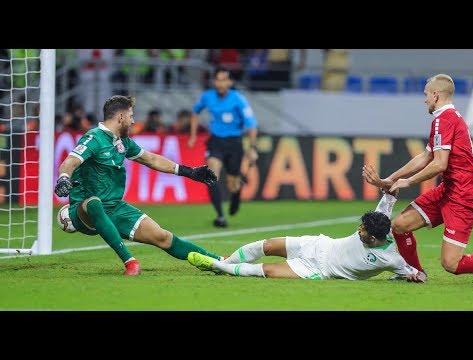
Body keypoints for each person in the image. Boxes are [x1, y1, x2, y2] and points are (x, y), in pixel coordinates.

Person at [54, 95, 221, 276]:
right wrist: (64, 177)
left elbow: (151, 159)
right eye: (131, 116)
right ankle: (130, 262)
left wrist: (189, 172)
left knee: (162, 237)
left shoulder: (122, 142)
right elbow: (70, 161)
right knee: (94, 202)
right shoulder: (93, 138)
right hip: (84, 211)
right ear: (120, 117)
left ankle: (218, 261)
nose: (133, 121)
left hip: (115, 207)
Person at [362, 73, 473, 282]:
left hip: (464, 195)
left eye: (426, 94)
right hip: (450, 189)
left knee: (451, 264)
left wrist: (407, 182)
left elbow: (439, 163)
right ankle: (415, 272)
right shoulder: (445, 119)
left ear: (435, 95)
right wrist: (392, 178)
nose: (424, 99)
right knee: (399, 225)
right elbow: (425, 157)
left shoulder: (444, 120)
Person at [187, 188, 426, 283]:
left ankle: (218, 265)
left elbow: (416, 275)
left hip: (320, 270)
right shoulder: (378, 222)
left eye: (362, 231)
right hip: (317, 245)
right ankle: (224, 263)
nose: (358, 230)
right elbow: (388, 200)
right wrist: (391, 188)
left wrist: (413, 277)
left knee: (268, 270)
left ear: (373, 238)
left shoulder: (391, 259)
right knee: (268, 245)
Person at [188, 65, 258, 228]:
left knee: (232, 184)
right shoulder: (207, 97)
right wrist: (193, 135)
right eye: (218, 80)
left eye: (223, 80)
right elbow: (195, 112)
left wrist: (253, 147)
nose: (220, 84)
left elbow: (251, 125)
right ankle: (220, 216)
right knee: (211, 175)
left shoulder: (238, 99)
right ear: (214, 82)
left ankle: (236, 192)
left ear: (230, 82)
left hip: (234, 143)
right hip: (216, 141)